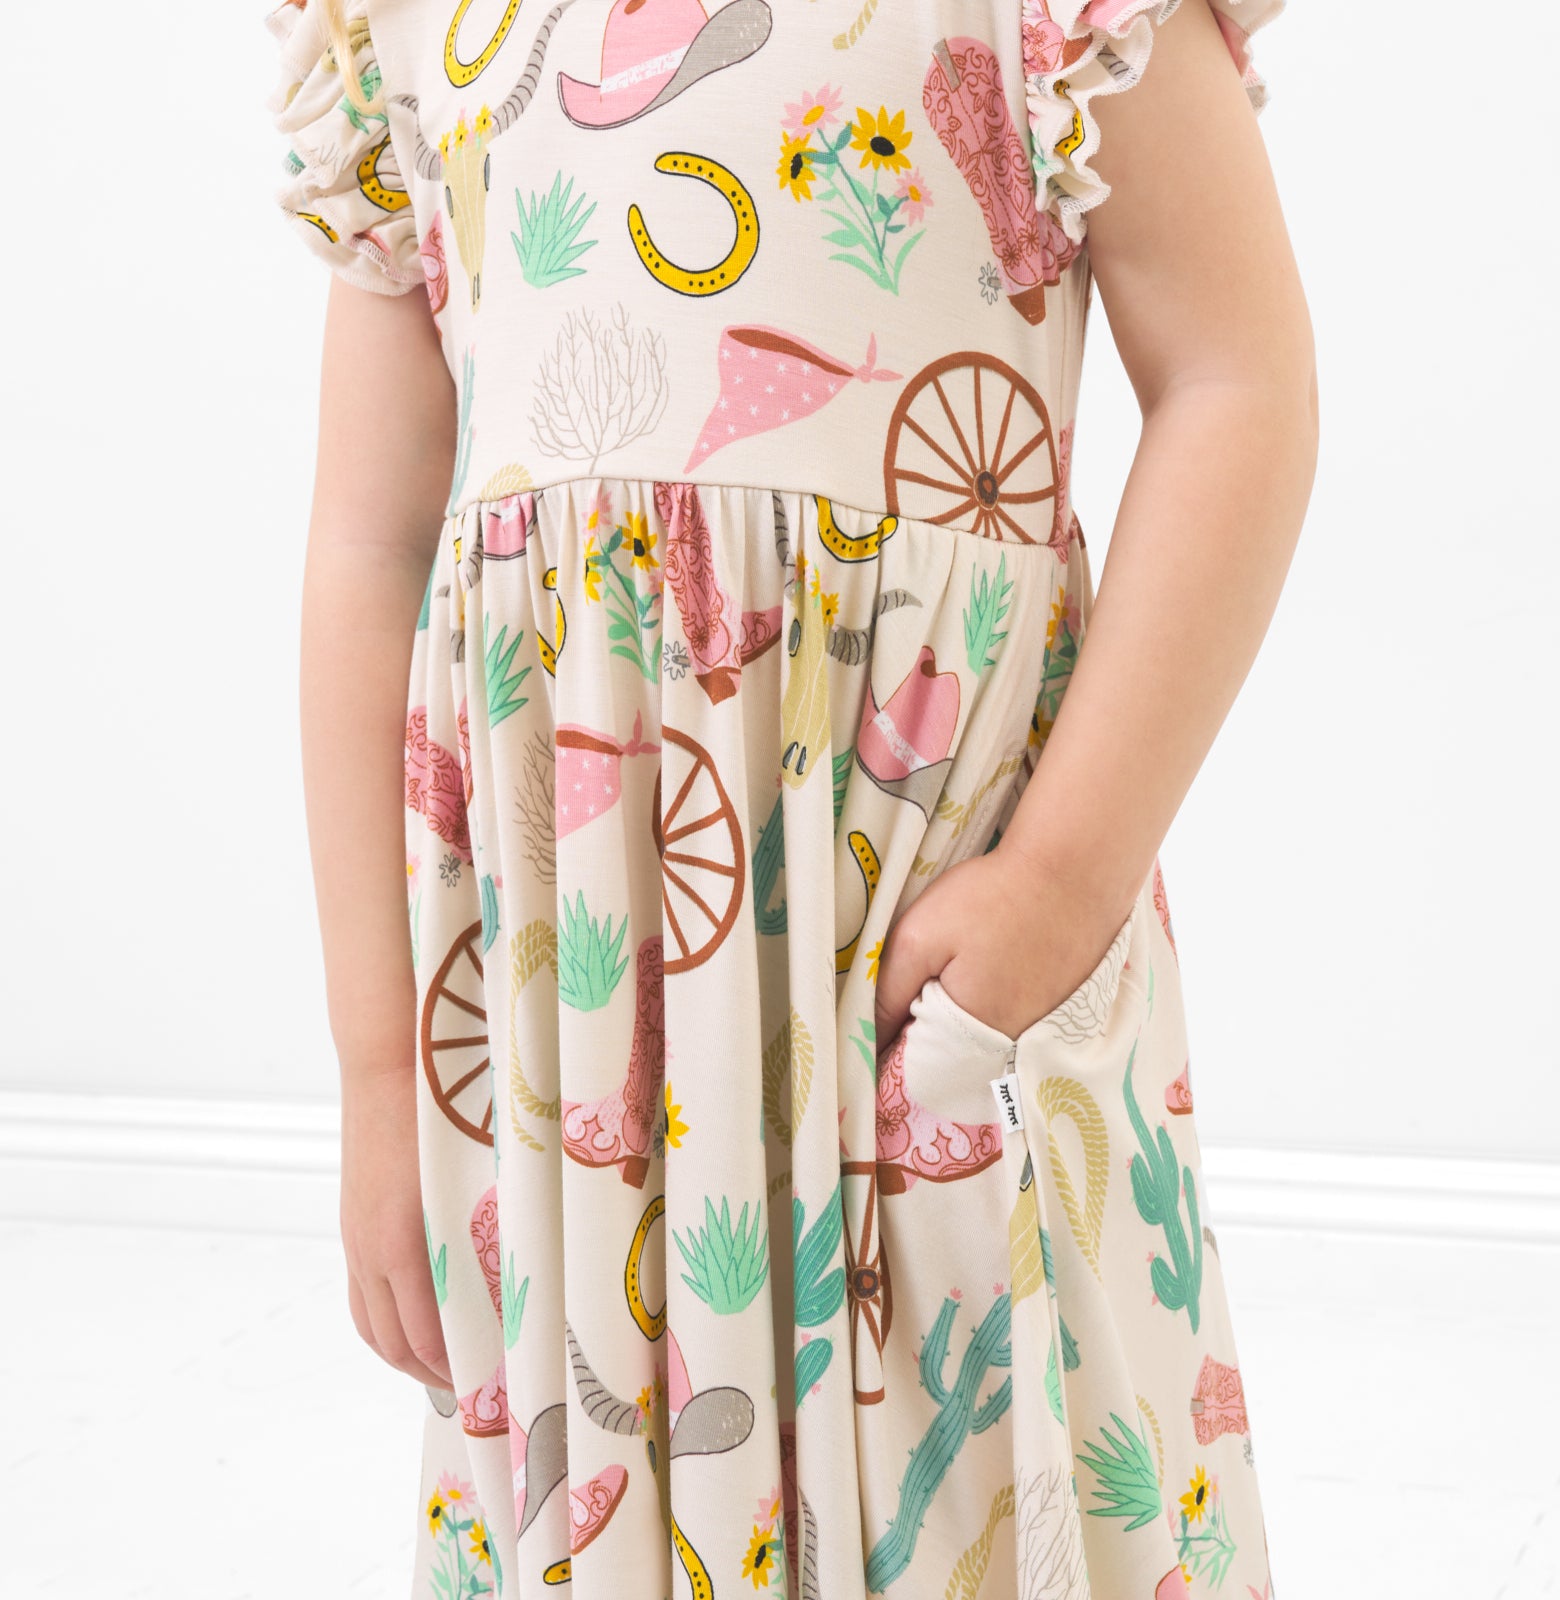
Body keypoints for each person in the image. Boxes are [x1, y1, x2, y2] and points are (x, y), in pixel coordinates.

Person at [263, 0, 1314, 1593]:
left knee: (963, 1462)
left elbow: (1242, 381)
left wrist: (1061, 879)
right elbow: (367, 538)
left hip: (912, 915)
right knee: (599, 1445)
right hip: (576, 983)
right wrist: (372, 1070)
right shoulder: (408, 22)